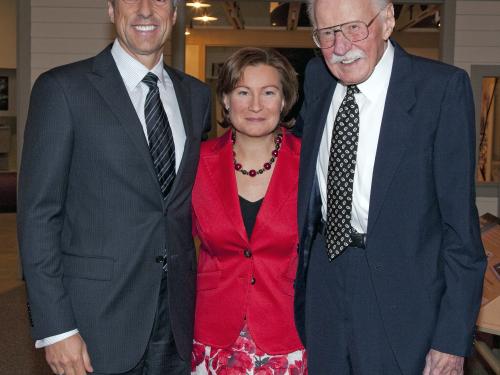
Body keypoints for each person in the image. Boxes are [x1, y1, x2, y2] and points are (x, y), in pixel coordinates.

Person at [17, 0, 211, 374]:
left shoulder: (195, 96)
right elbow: (38, 216)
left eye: (159, 0)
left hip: (178, 321)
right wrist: (55, 328)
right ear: (110, 10)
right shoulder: (62, 88)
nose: (144, 10)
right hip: (95, 323)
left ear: (173, 14)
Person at [293, 0, 487, 374]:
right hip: (324, 287)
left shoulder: (441, 90)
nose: (341, 47)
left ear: (387, 21)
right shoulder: (317, 78)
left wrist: (450, 337)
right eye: (327, 33)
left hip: (403, 300)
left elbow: (460, 230)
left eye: (353, 28)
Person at [190, 47, 307, 374]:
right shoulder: (196, 164)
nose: (256, 105)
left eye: (268, 92)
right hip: (213, 337)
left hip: (288, 334)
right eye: (243, 92)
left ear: (284, 101)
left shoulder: (312, 163)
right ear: (226, 100)